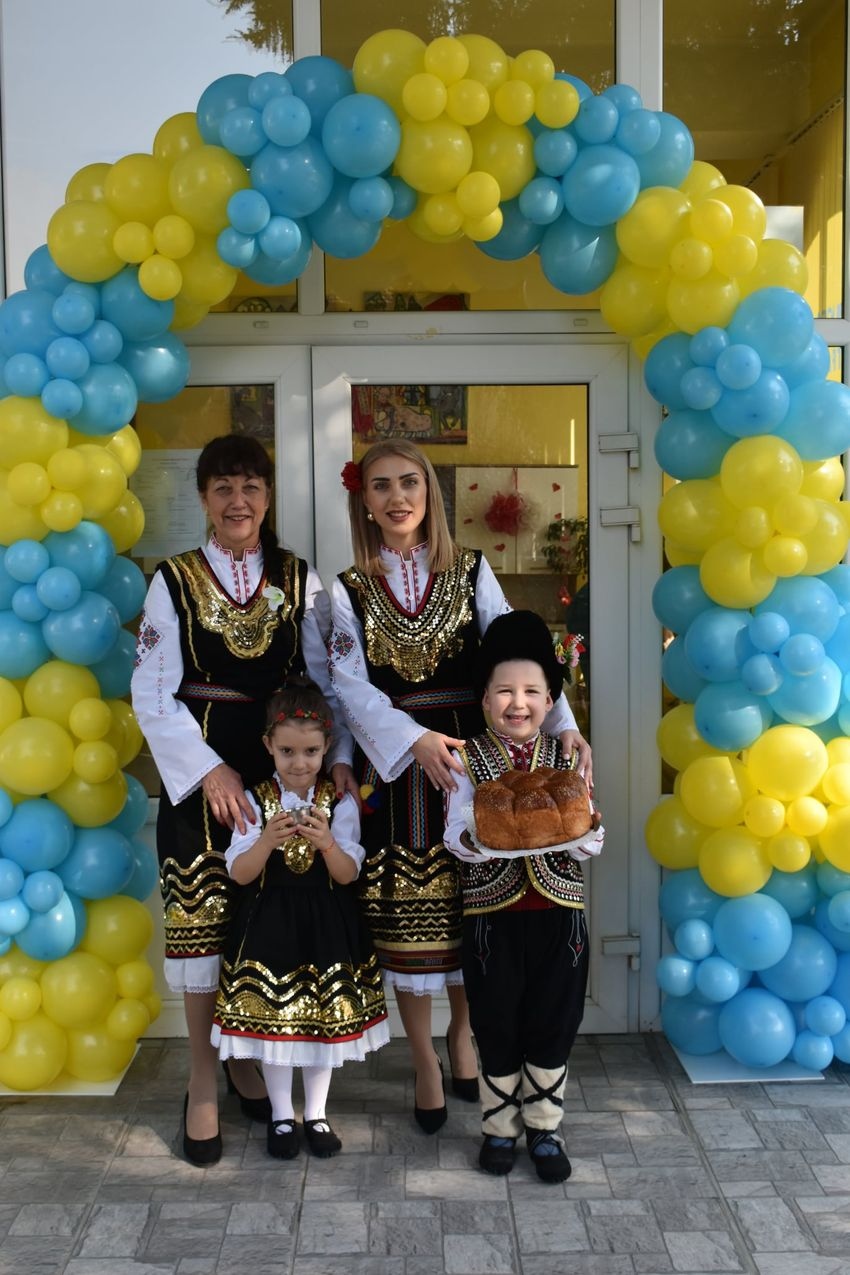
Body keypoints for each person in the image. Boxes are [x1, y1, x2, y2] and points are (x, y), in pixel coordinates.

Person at [329, 440, 592, 1134]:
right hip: (399, 768)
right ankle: (424, 1057)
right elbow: (348, 685)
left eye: (409, 482)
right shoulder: (347, 589)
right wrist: (410, 739)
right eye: (381, 486)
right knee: (410, 917)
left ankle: (463, 1034)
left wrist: (564, 727)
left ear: (430, 493)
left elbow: (518, 655)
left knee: (477, 908)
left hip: (478, 761)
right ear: (364, 501)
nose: (397, 497)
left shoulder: (471, 570)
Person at [131, 434, 354, 1167]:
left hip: (285, 770)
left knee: (268, 923)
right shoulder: (173, 579)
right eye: (223, 487)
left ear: (268, 496)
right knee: (201, 926)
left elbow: (327, 681)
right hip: (203, 780)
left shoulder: (298, 577)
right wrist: (208, 772)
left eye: (251, 486)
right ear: (203, 498)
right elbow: (151, 693)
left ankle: (249, 1057)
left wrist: (336, 761)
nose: (238, 501)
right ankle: (203, 1076)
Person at [443, 610, 604, 1182]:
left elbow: (589, 833)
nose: (519, 703)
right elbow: (454, 833)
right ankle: (498, 1127)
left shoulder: (568, 758)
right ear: (485, 699)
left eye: (532, 691)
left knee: (555, 1016)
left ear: (550, 700)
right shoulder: (466, 760)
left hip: (559, 914)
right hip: (492, 917)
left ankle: (544, 1126)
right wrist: (477, 841)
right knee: (495, 1018)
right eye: (505, 691)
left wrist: (588, 835)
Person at [211, 681, 389, 1160]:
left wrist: (328, 843)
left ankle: (316, 1112)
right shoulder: (255, 800)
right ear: (268, 745)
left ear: (326, 747)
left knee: (319, 1025)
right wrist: (265, 841)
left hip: (325, 926)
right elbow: (239, 873)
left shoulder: (341, 802)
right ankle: (281, 1115)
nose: (299, 763)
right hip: (269, 927)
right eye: (287, 751)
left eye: (310, 751)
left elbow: (348, 874)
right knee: (276, 1027)